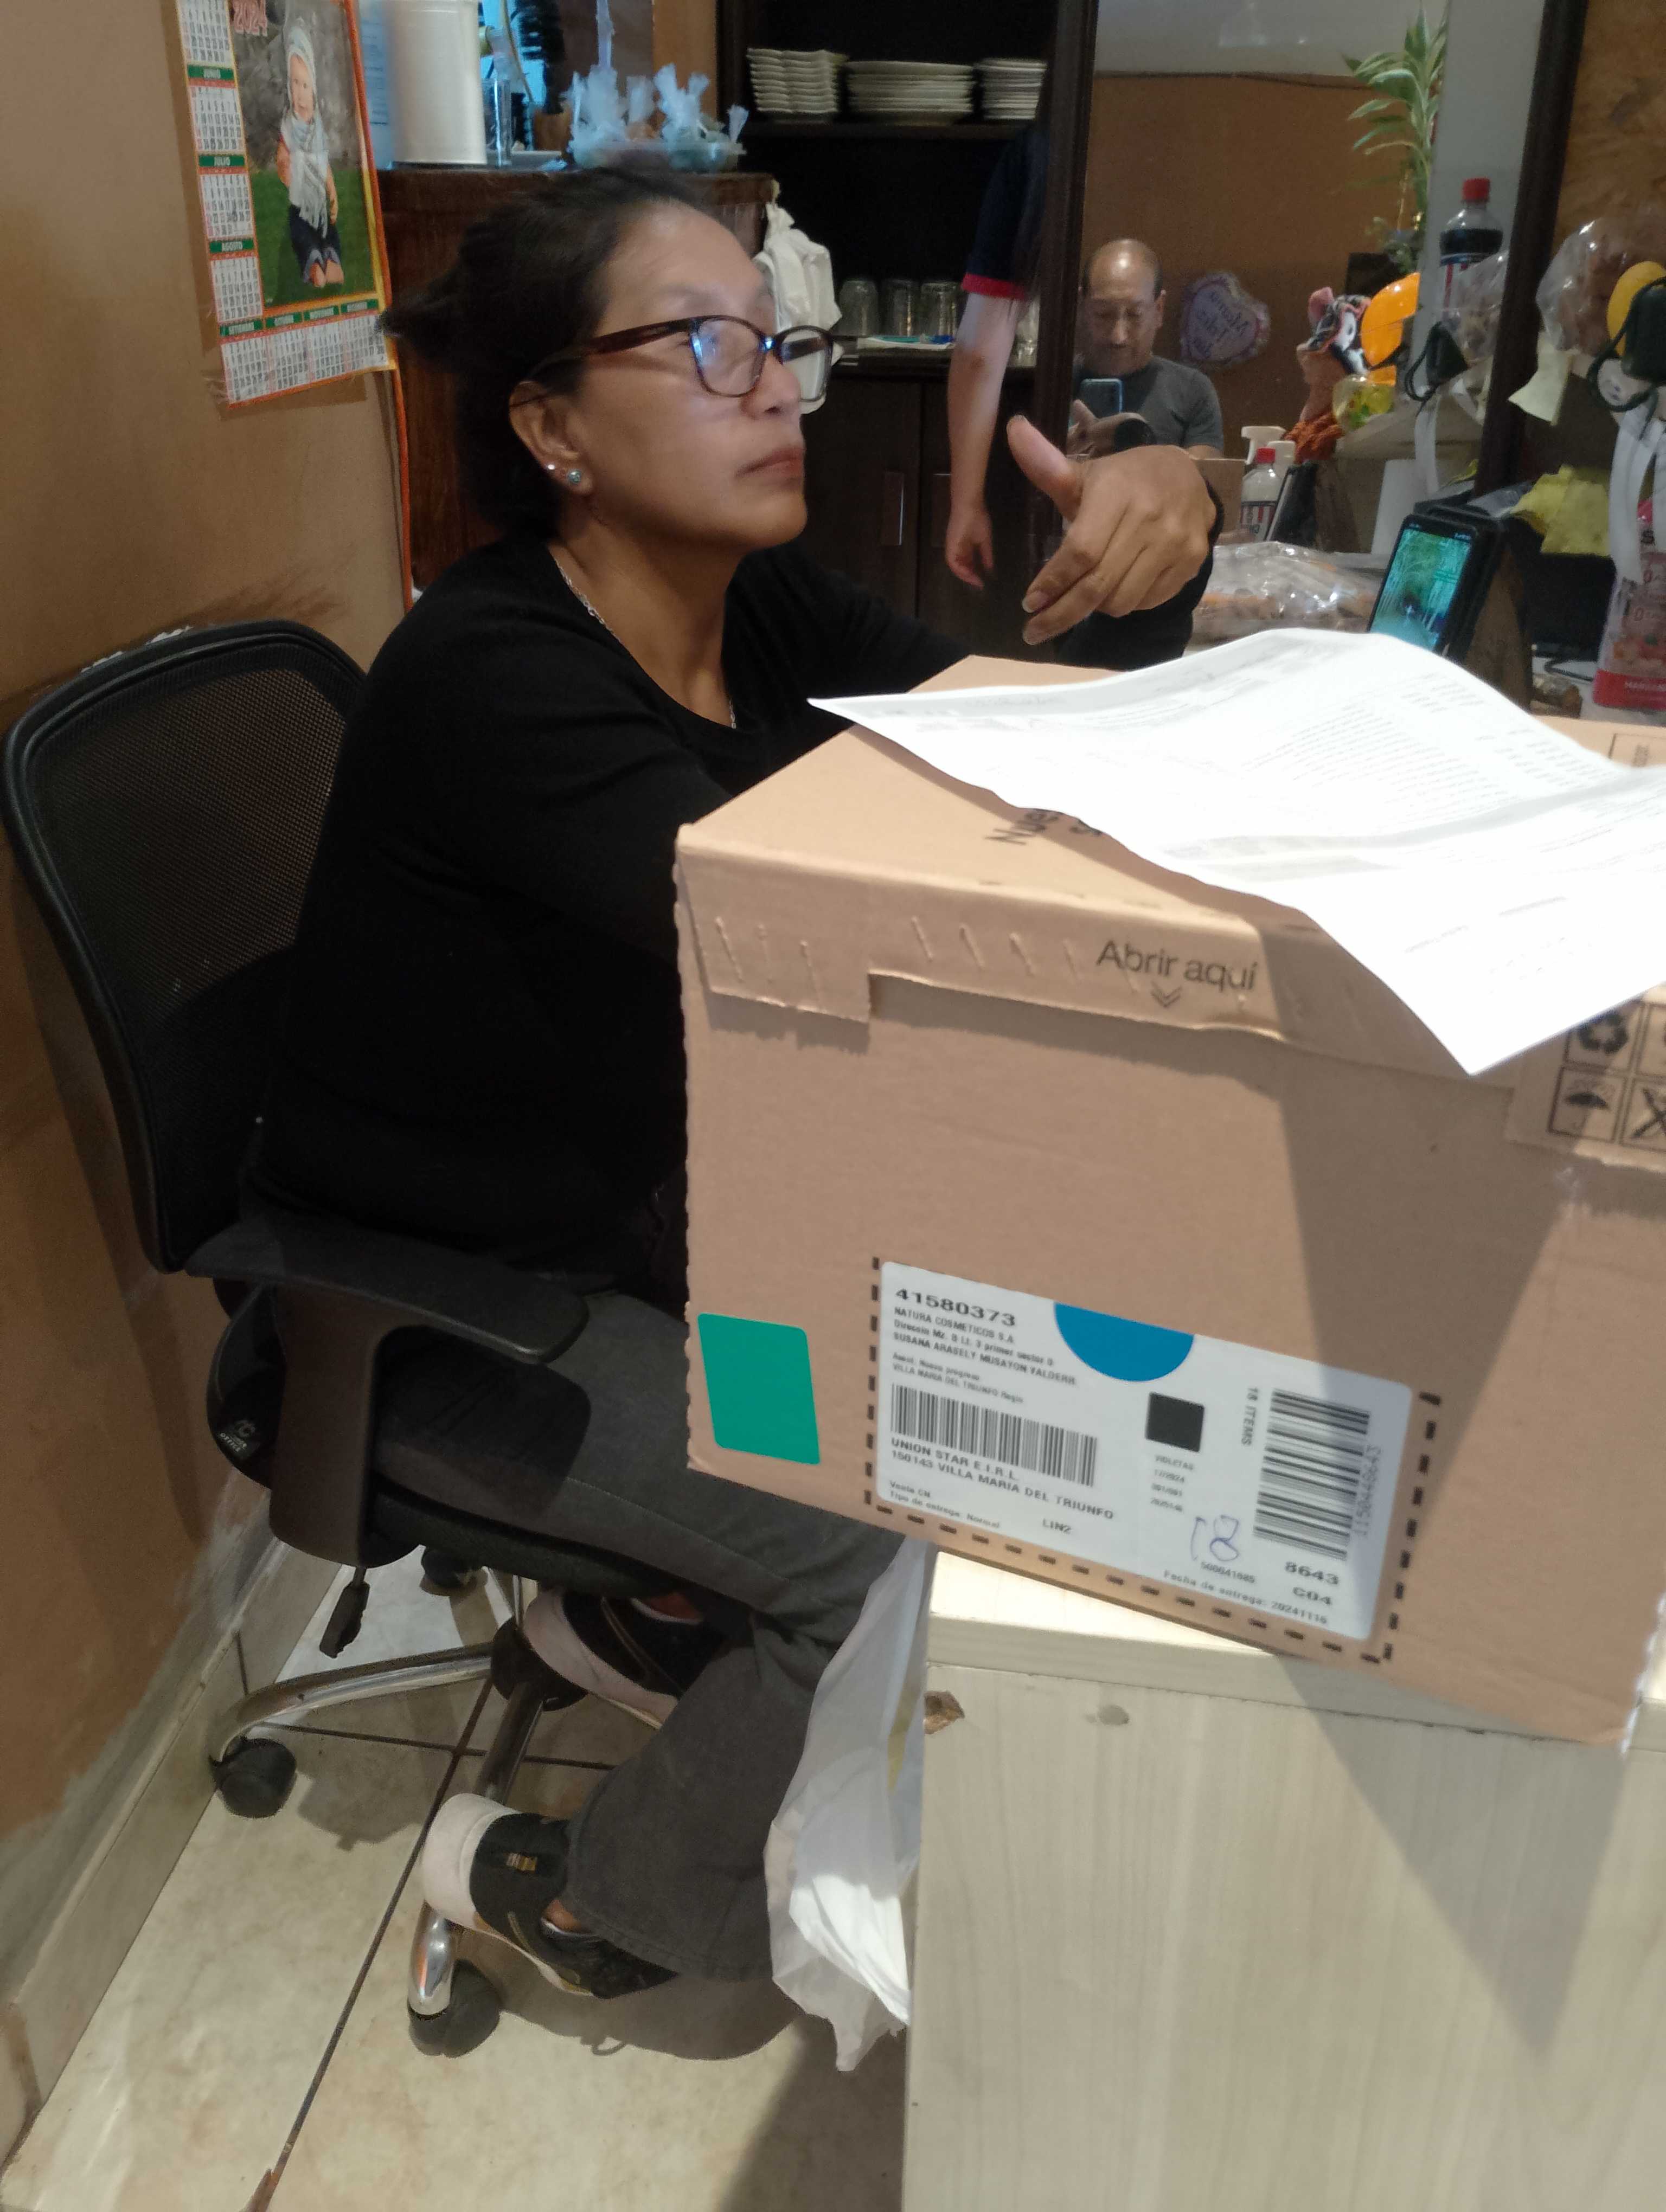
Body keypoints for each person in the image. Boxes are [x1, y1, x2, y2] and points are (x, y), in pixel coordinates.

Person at [248, 170, 1215, 2001]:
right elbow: (834, 945)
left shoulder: (753, 611)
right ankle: (601, 1903)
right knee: (872, 1543)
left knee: (988, 1378)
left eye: (784, 339)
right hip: (459, 1316)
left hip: (659, 1234)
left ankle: (656, 1606)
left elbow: (1040, 746)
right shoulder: (493, 677)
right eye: (709, 346)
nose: (778, 385)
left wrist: (1169, 526)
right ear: (551, 427)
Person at [1072, 240, 1222, 455]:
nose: (1118, 337)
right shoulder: (1047, 387)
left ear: (1159, 309)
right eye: (1103, 314)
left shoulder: (1192, 391)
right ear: (1081, 306)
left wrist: (1138, 446)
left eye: (1135, 315)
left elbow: (1204, 475)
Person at [275, 14, 343, 290]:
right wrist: (285, 167)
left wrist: (332, 191)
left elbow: (324, 162)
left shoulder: (318, 127)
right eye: (294, 83)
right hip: (301, 203)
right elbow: (282, 155)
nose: (300, 92)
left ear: (313, 89)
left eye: (305, 85)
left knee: (329, 231)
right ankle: (314, 262)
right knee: (301, 234)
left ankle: (332, 259)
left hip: (320, 205)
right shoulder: (290, 125)